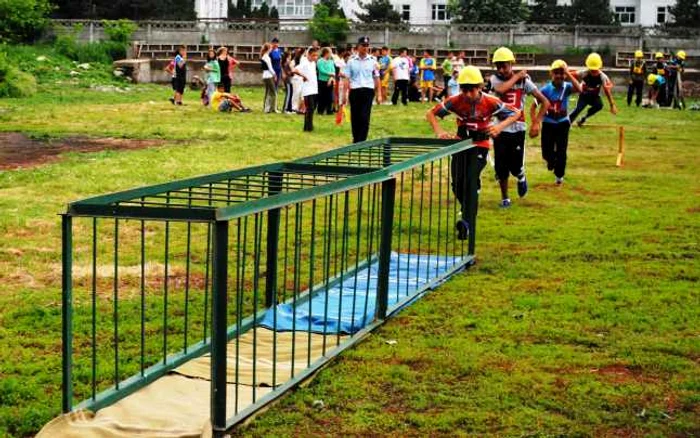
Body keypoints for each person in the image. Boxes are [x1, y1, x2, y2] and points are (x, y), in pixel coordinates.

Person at [426, 66, 521, 243]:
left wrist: (498, 127)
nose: (468, 94)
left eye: (471, 89)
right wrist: (439, 131)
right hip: (460, 144)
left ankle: (467, 223)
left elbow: (516, 113)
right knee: (457, 184)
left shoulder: (490, 102)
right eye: (464, 89)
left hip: (480, 145)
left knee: (470, 180)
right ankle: (468, 210)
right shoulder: (455, 101)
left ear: (480, 87)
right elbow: (430, 114)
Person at [488, 47, 550, 208]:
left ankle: (521, 176)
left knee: (515, 166)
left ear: (511, 64)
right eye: (498, 66)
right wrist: (517, 75)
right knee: (501, 167)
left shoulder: (524, 82)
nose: (501, 70)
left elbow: (544, 101)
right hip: (500, 128)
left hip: (518, 128)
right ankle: (505, 198)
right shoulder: (495, 79)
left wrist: (537, 122)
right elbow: (501, 89)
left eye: (505, 66)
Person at [531, 60, 583, 186]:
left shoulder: (567, 87)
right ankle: (551, 160)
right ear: (551, 74)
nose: (559, 76)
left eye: (562, 73)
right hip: (548, 124)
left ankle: (559, 175)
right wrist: (535, 123)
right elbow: (533, 107)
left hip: (563, 124)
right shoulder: (545, 90)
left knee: (561, 151)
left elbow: (579, 89)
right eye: (556, 73)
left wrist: (568, 74)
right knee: (546, 152)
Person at [345, 36, 380, 143]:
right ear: (358, 47)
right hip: (355, 90)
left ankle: (362, 140)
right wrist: (345, 94)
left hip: (368, 90)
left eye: (367, 46)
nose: (365, 48)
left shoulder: (373, 61)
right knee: (355, 116)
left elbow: (376, 77)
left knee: (365, 116)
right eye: (363, 45)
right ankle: (356, 139)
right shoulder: (351, 61)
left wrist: (379, 94)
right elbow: (347, 78)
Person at [569, 52, 617, 127]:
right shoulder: (584, 73)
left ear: (599, 67)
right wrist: (564, 73)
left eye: (595, 70)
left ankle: (584, 118)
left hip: (594, 97)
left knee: (599, 105)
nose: (593, 72)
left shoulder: (603, 77)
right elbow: (571, 74)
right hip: (584, 95)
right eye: (591, 70)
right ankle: (566, 123)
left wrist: (612, 105)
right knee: (578, 109)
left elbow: (607, 91)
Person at [294, 47, 319, 131]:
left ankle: (310, 125)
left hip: (314, 88)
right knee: (309, 108)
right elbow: (295, 70)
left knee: (312, 108)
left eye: (316, 55)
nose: (315, 57)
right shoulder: (305, 63)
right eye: (313, 55)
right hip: (307, 90)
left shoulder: (313, 63)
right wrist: (303, 76)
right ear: (308, 55)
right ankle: (307, 127)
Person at [316, 47, 336, 115]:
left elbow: (333, 70)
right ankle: (320, 110)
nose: (331, 55)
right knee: (322, 96)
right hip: (322, 81)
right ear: (326, 53)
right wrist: (329, 73)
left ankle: (329, 110)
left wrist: (331, 78)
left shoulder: (331, 61)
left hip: (330, 80)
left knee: (329, 96)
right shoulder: (320, 61)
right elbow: (321, 70)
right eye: (330, 53)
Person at [260, 43, 277, 114]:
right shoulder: (267, 57)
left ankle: (266, 107)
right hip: (268, 76)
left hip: (265, 76)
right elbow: (270, 68)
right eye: (270, 48)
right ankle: (271, 108)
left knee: (268, 92)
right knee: (273, 93)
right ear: (268, 49)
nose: (271, 50)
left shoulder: (264, 56)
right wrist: (274, 74)